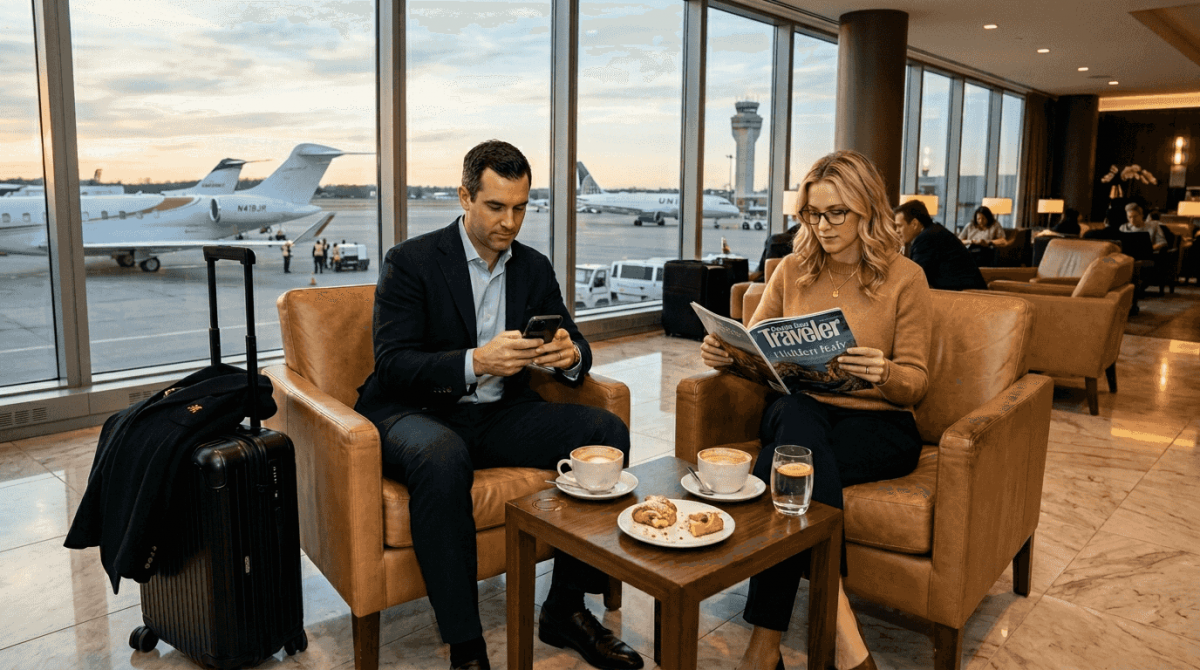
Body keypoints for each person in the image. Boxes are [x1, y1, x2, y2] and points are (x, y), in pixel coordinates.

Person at [353, 140, 641, 670]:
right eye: (495, 206)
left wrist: (568, 354)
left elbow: (577, 345)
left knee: (606, 431)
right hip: (414, 413)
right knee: (442, 457)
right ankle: (466, 648)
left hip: (497, 415)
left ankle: (565, 610)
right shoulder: (411, 261)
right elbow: (393, 364)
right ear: (465, 196)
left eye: (521, 207)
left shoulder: (532, 267)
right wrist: (475, 362)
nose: (510, 222)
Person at [701, 150, 931, 670]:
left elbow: (916, 384)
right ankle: (840, 630)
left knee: (779, 466)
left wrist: (884, 371)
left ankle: (764, 646)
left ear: (867, 210)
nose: (821, 226)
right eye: (811, 214)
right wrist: (724, 354)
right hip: (801, 410)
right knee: (798, 422)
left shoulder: (905, 278)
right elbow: (755, 345)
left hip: (880, 423)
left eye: (835, 214)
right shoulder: (790, 271)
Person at [894, 199, 986, 290]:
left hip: (965, 296)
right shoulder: (933, 231)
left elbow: (914, 277)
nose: (897, 231)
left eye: (899, 226)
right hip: (962, 291)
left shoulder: (927, 238)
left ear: (914, 224)